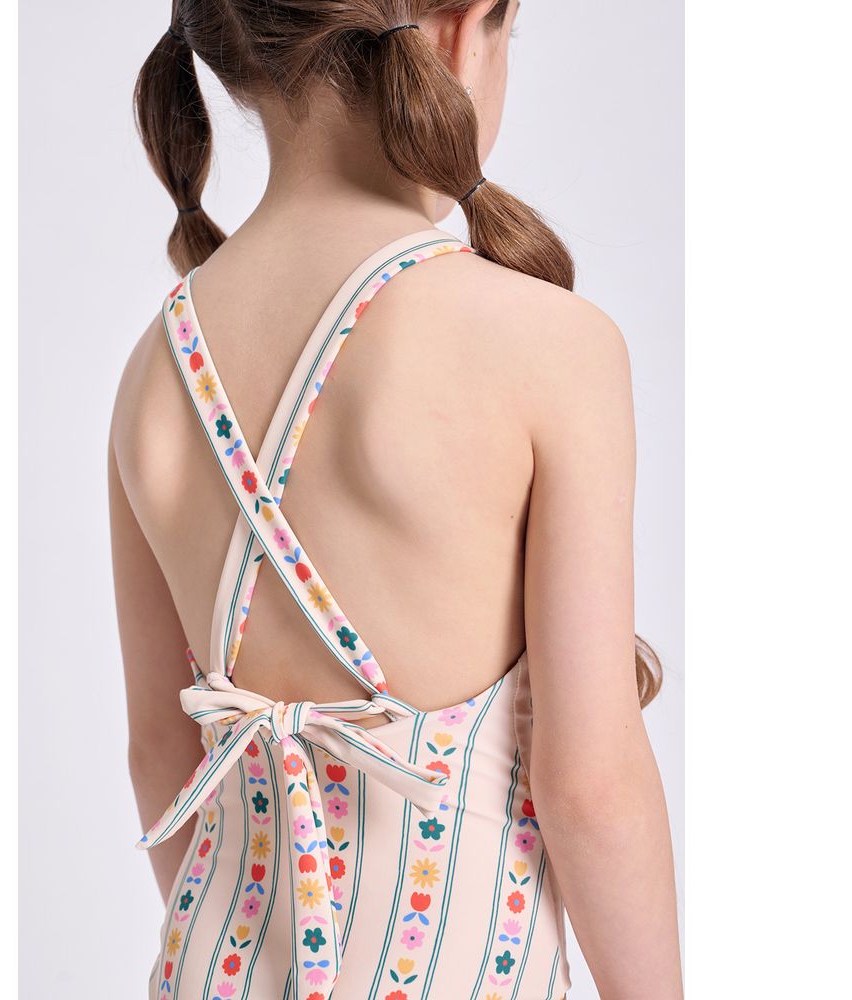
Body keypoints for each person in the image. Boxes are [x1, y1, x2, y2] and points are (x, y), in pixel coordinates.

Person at [109, 1, 682, 997]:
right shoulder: (546, 345)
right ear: (463, 27)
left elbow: (163, 752)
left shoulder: (155, 370)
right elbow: (590, 786)